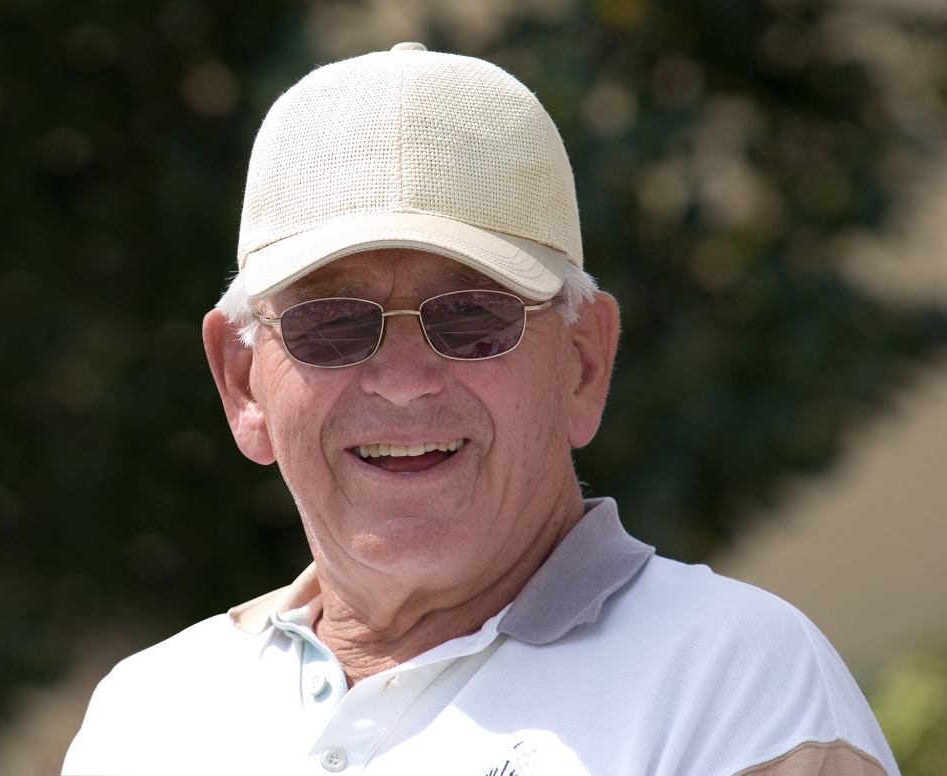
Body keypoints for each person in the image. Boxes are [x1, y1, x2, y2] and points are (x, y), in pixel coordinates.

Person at [63, 43, 899, 775]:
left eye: (470, 316)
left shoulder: (737, 685)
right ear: (243, 381)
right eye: (331, 324)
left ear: (582, 363)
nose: (401, 380)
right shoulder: (147, 718)